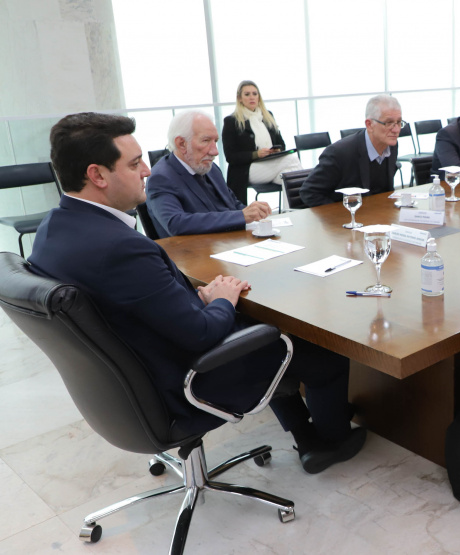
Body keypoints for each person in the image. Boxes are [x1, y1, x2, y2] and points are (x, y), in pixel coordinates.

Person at [29, 112, 365, 474]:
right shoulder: (121, 248)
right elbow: (201, 333)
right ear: (97, 175)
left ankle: (305, 433)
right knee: (318, 350)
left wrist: (195, 300)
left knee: (264, 330)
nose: (147, 171)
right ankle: (333, 440)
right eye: (135, 163)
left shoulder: (52, 230)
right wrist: (220, 300)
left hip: (124, 387)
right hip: (182, 383)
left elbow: (133, 303)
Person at [146, 110, 272, 238]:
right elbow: (176, 224)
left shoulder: (211, 168)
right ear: (181, 144)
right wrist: (241, 216)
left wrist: (254, 211)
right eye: (206, 141)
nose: (215, 151)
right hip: (196, 249)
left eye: (215, 141)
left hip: (228, 242)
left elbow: (233, 205)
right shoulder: (161, 178)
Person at [298, 94, 401, 207]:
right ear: (369, 124)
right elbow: (309, 192)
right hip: (347, 214)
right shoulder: (340, 153)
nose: (396, 130)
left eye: (399, 122)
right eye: (389, 123)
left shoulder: (391, 146)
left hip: (378, 213)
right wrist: (341, 214)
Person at [222, 80, 303, 204]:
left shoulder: (268, 116)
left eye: (255, 94)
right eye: (247, 94)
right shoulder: (231, 121)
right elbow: (230, 157)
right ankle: (303, 206)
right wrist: (256, 154)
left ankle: (290, 211)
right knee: (292, 160)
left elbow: (281, 143)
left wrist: (277, 150)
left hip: (271, 164)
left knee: (288, 177)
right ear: (239, 98)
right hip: (247, 170)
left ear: (259, 97)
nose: (252, 97)